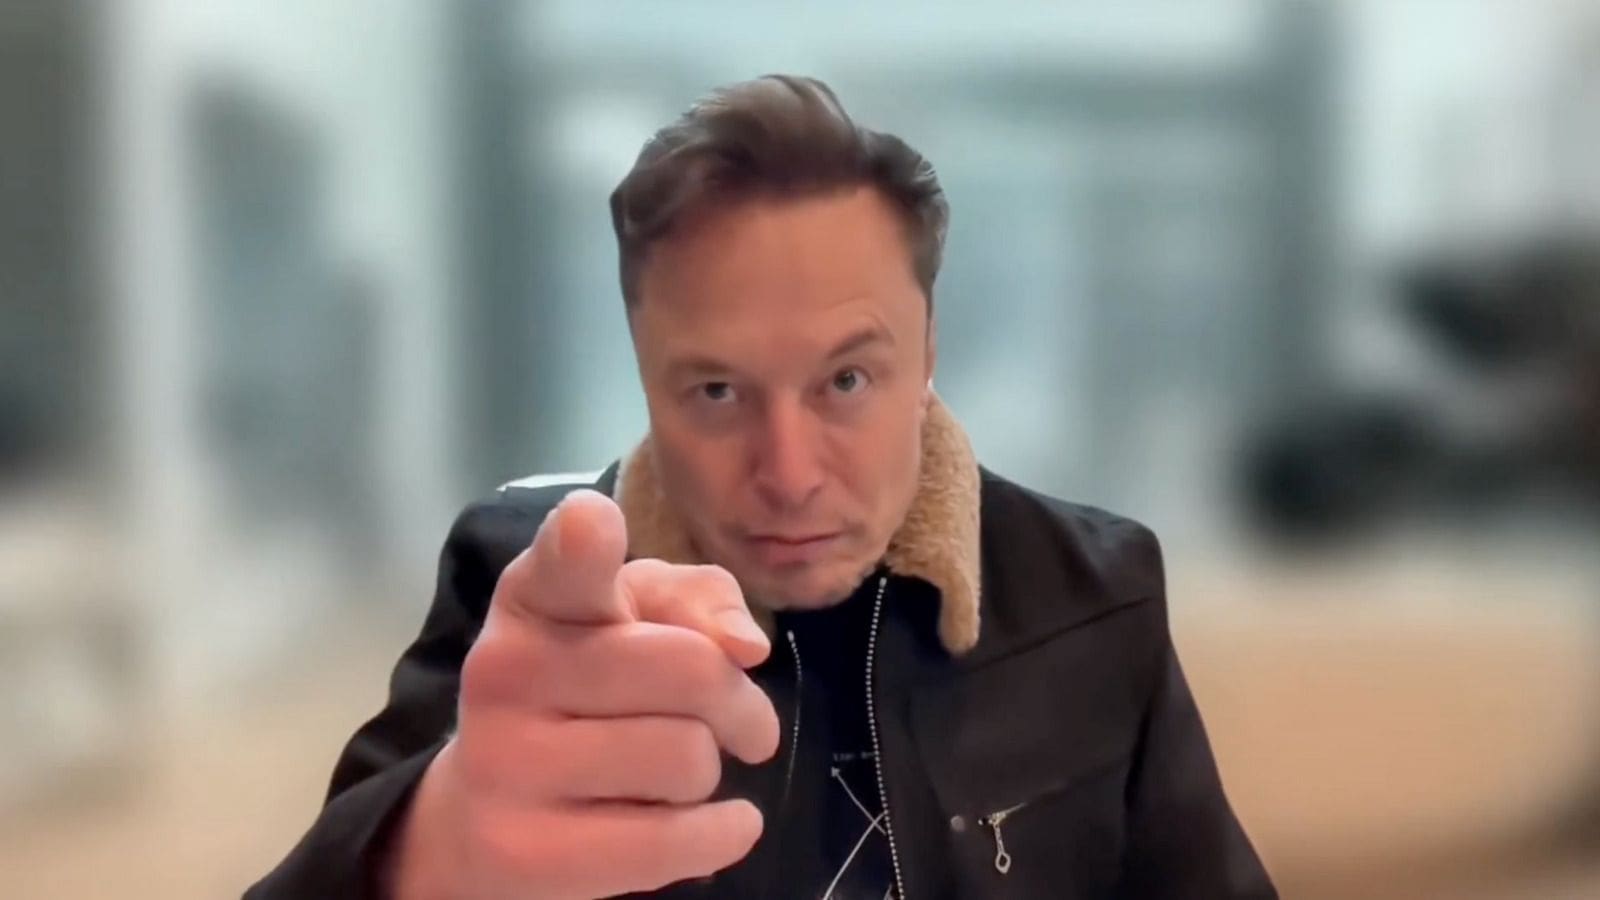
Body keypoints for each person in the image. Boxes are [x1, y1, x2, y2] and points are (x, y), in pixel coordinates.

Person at [247, 74, 1276, 899]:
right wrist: (427, 856)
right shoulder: (527, 596)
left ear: (927, 356)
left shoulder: (1097, 595)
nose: (788, 476)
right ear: (645, 377)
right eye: (716, 391)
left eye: (845, 381)